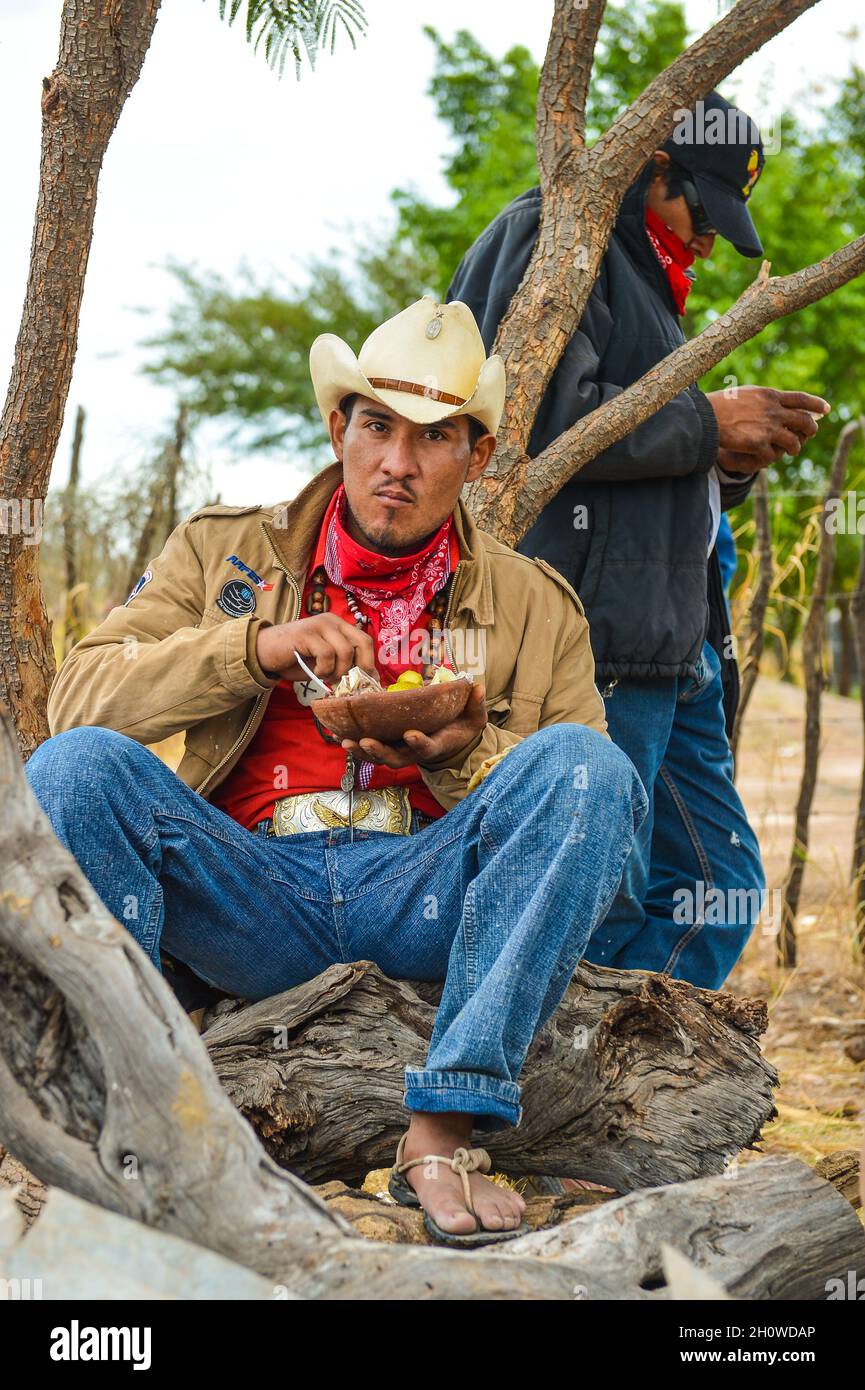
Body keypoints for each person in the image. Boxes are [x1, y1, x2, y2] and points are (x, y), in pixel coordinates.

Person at [27, 297, 647, 1247]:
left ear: (478, 458)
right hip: (245, 891)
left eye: (435, 437)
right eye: (376, 427)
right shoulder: (222, 551)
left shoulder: (533, 604)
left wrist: (462, 755)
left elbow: (605, 831)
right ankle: (144, 1105)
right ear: (337, 427)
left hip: (422, 889)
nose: (397, 462)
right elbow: (79, 698)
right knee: (77, 768)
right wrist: (255, 647)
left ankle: (439, 1130)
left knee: (588, 770)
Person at [447, 90, 830, 989]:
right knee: (598, 891)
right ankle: (547, 1085)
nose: (708, 238)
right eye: (702, 206)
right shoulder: (553, 236)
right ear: (654, 165)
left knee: (716, 882)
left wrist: (728, 459)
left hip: (673, 640)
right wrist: (707, 422)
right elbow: (526, 430)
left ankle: (621, 1083)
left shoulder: (646, 274)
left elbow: (636, 461)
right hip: (589, 642)